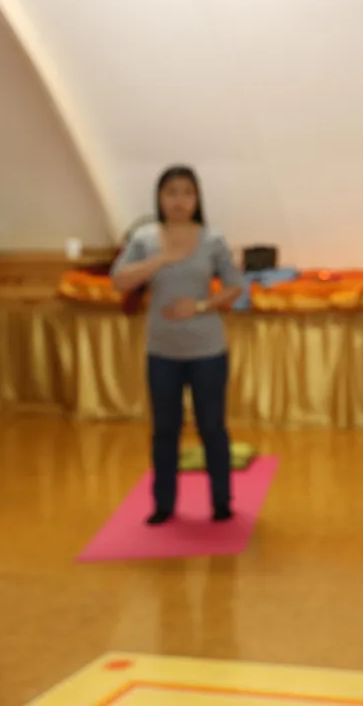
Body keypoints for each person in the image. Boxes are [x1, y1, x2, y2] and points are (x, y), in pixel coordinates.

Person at [111, 166, 246, 525]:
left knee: (212, 427)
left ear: (197, 198)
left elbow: (235, 287)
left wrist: (200, 306)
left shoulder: (213, 240)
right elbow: (119, 281)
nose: (179, 200)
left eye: (187, 192)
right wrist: (160, 260)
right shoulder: (144, 238)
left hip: (207, 350)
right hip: (161, 352)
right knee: (165, 429)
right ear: (159, 197)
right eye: (171, 192)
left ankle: (221, 502)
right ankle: (164, 504)